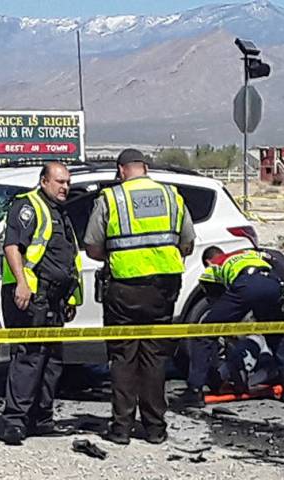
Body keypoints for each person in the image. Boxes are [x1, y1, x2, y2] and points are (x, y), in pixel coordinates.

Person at [84, 148, 195, 446]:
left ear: (121, 171)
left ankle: (121, 428)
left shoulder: (111, 198)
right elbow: (188, 243)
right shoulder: (172, 196)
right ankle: (155, 429)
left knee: (123, 358)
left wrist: (119, 255)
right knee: (155, 358)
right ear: (144, 167)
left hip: (125, 289)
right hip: (163, 290)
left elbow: (92, 247)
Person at [0, 162, 83, 446]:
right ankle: (15, 421)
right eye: (59, 182)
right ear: (44, 181)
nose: (65, 187)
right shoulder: (28, 206)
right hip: (31, 296)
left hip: (54, 299)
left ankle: (41, 419)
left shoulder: (61, 213)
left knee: (51, 361)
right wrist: (22, 283)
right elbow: (13, 246)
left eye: (68, 183)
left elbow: (68, 259)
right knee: (28, 359)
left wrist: (71, 298)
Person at [180, 246, 284, 407]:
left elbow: (217, 303)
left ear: (209, 262)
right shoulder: (261, 259)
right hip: (272, 284)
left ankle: (194, 391)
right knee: (276, 336)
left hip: (246, 284)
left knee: (205, 333)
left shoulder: (214, 266)